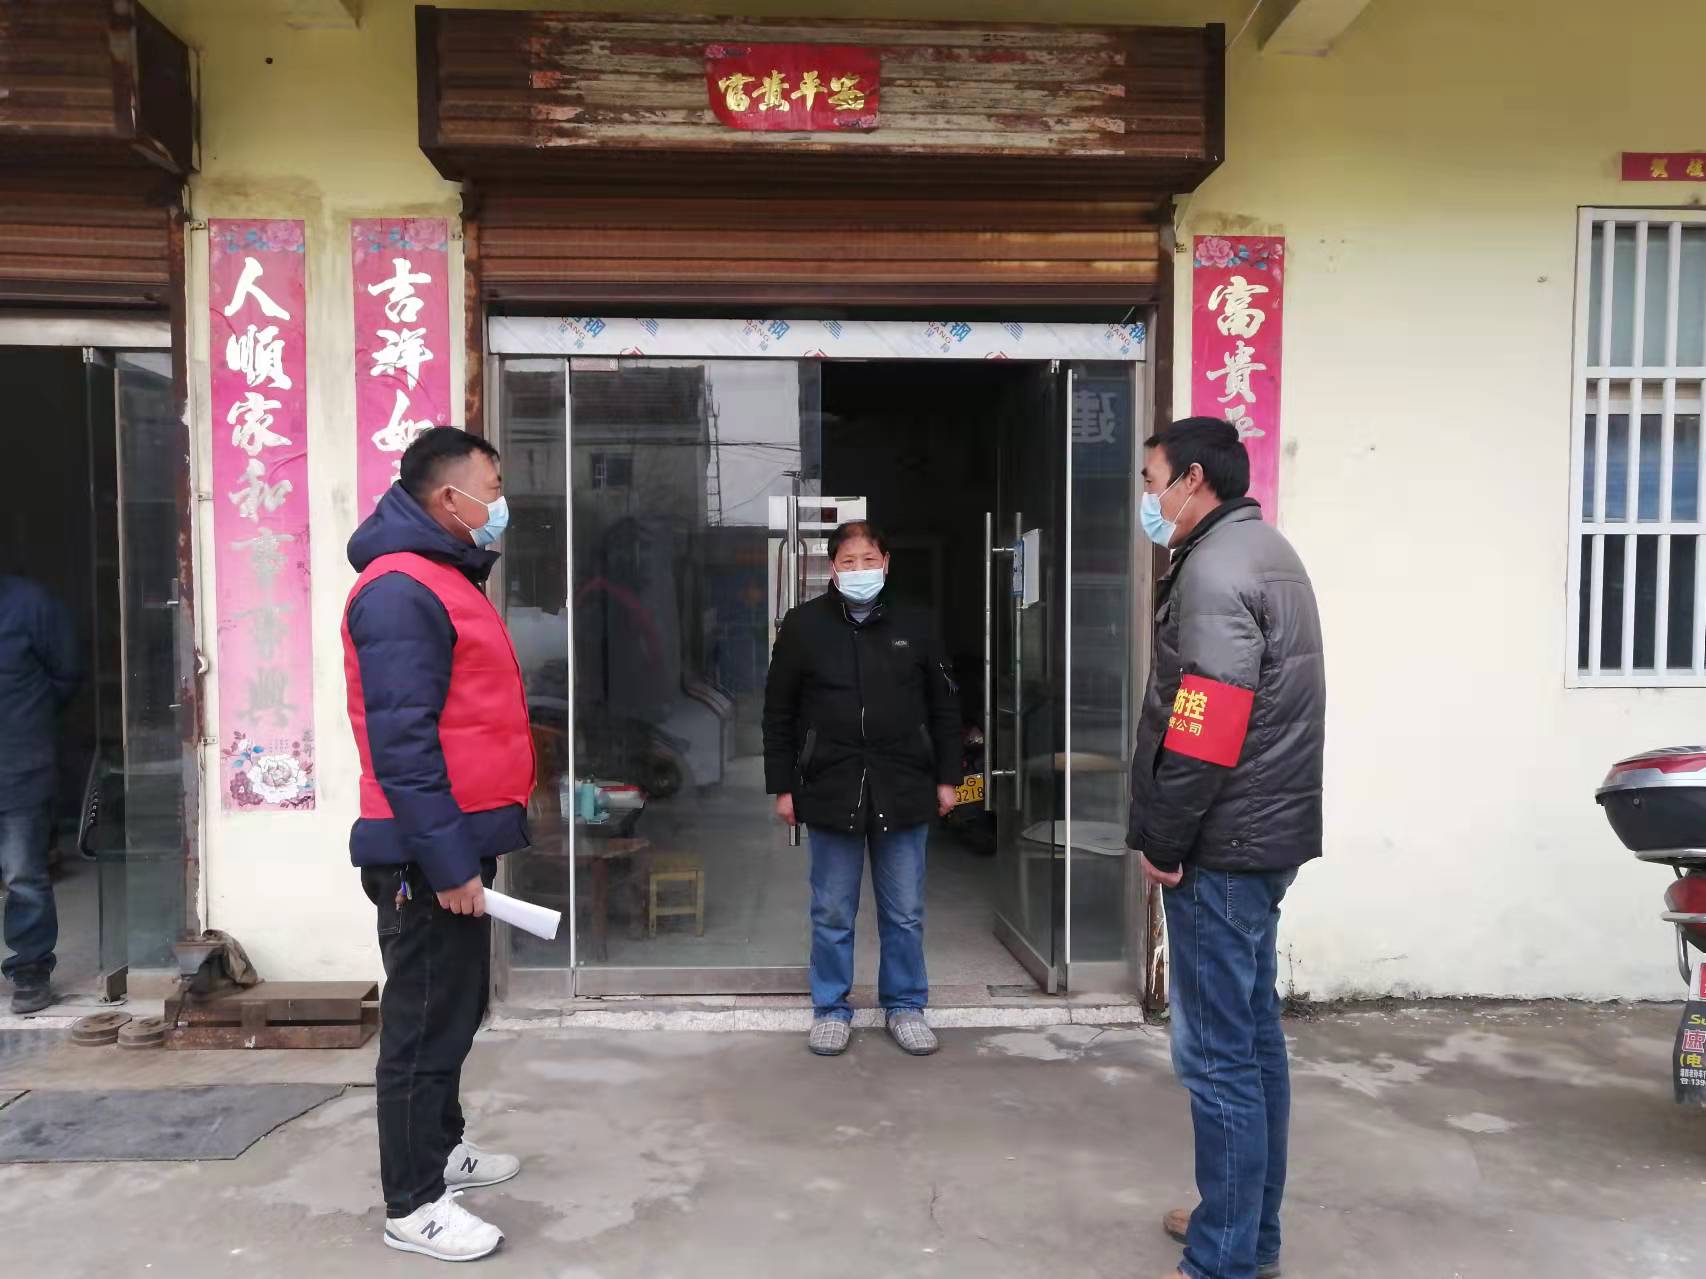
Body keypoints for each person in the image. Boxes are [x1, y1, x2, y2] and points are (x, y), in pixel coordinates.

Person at [1126, 418, 1325, 1279]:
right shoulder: (1266, 551)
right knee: (1252, 1042)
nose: (1147, 497)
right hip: (1262, 835)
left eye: (1151, 479)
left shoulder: (1213, 569)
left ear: (1193, 480)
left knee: (1216, 1059)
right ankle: (1246, 1229)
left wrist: (1165, 839)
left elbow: (1206, 720)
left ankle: (1223, 1258)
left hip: (1222, 844)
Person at [342, 427, 535, 1263]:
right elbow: (404, 745)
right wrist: (448, 862)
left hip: (451, 841)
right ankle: (413, 1201)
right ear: (448, 497)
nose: (500, 502)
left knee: (454, 1008)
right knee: (422, 1023)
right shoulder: (400, 590)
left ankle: (444, 1146)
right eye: (492, 486)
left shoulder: (442, 576)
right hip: (426, 856)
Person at [763, 521, 961, 1058]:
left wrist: (949, 778)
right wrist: (783, 786)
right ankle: (831, 1008)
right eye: (848, 562)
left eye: (868, 560)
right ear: (832, 568)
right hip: (830, 784)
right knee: (831, 911)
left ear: (886, 563)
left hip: (904, 783)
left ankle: (905, 1005)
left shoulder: (916, 624)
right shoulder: (803, 626)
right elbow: (778, 713)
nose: (859, 570)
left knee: (905, 911)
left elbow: (945, 707)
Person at [0, 575, 81, 1015]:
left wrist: (27, 720)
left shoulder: (30, 604)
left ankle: (30, 969)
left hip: (20, 763)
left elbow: (66, 674)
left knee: (23, 875)